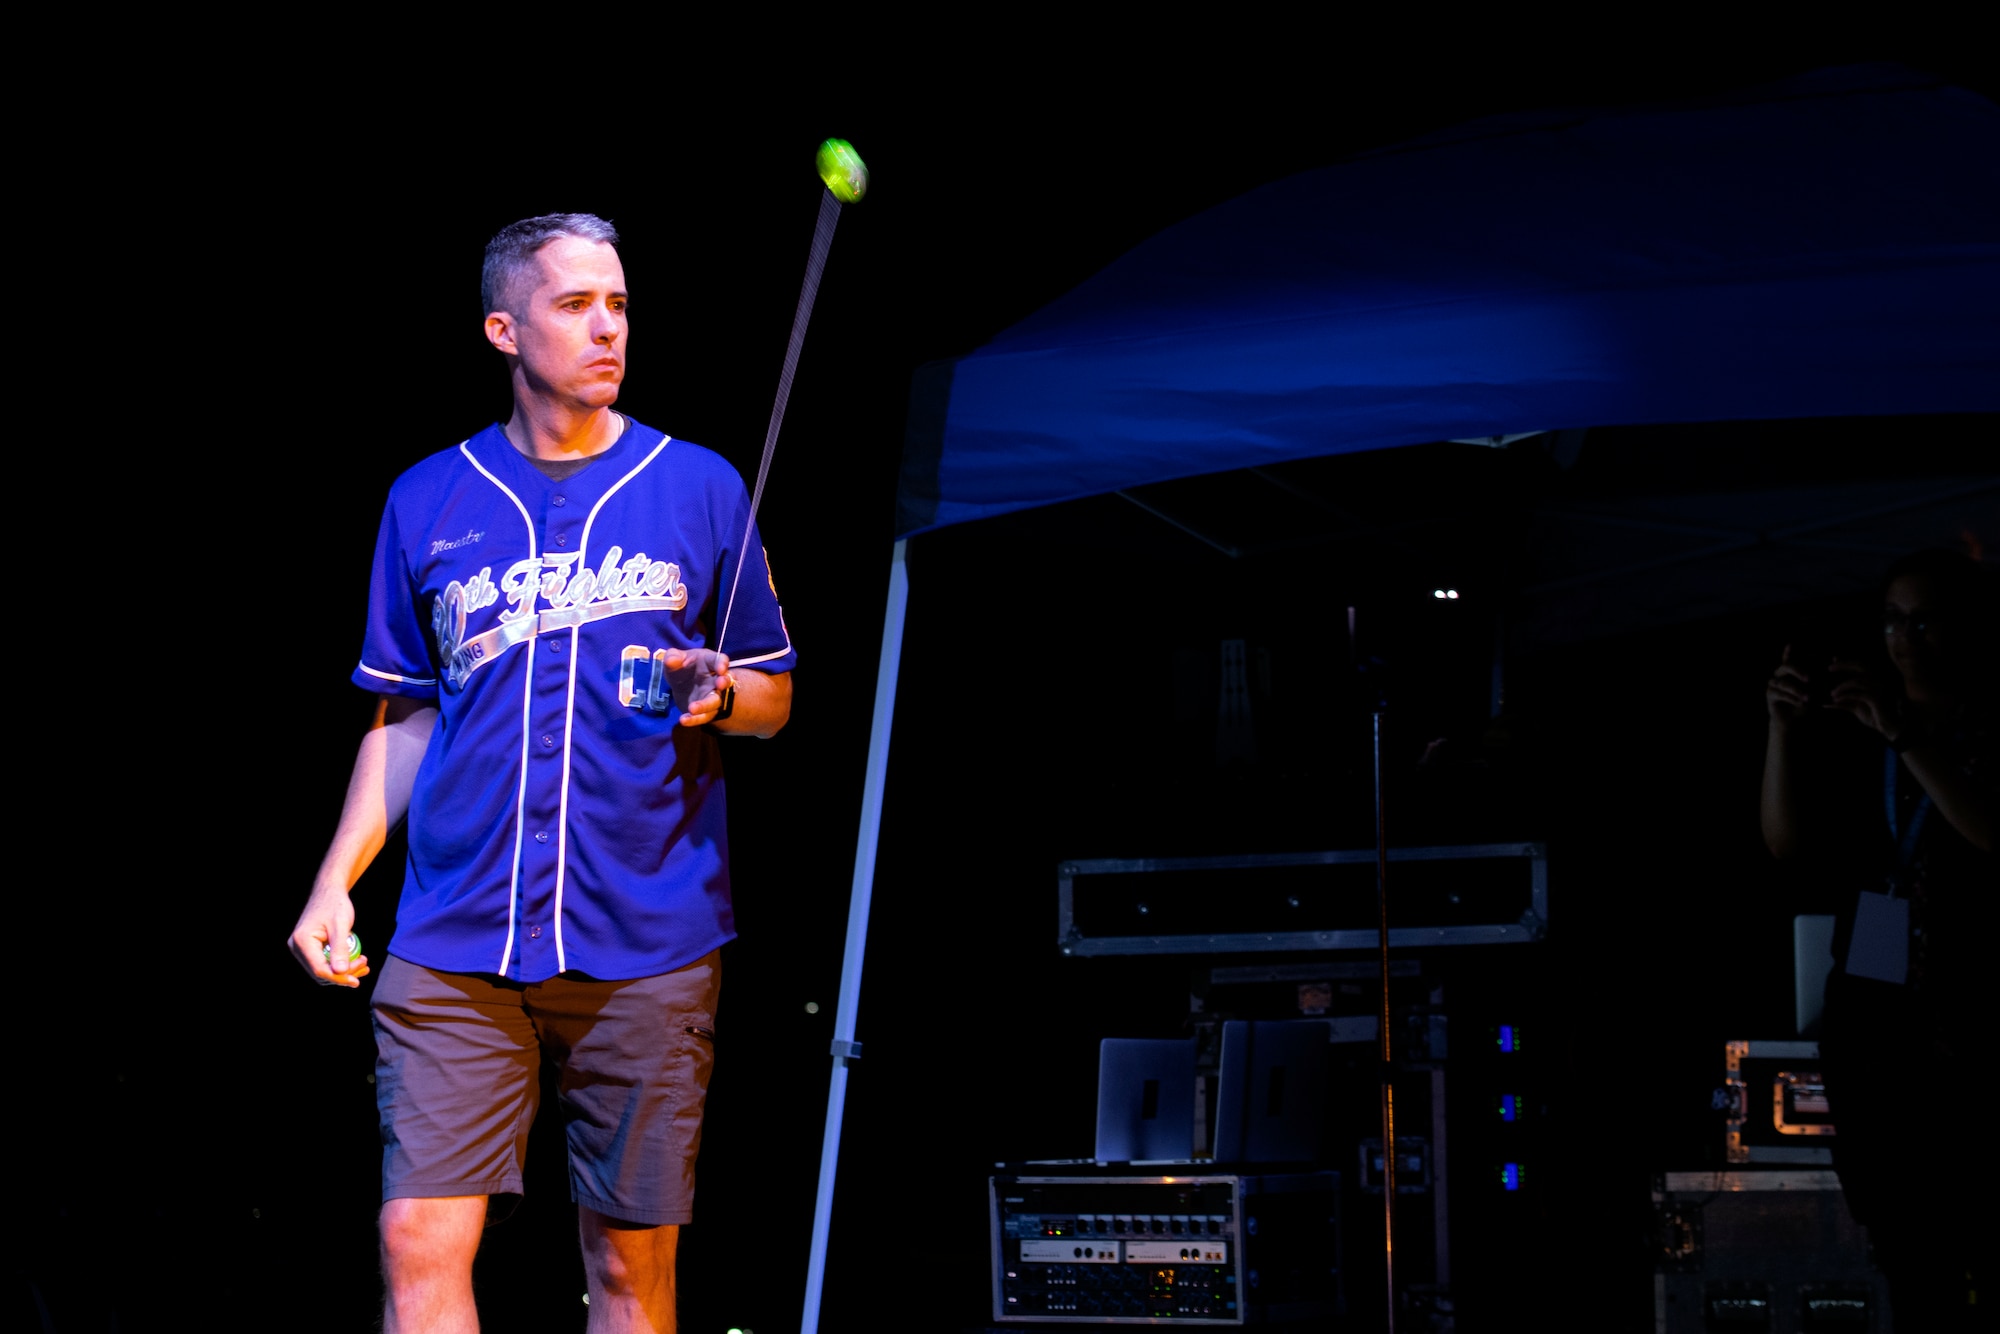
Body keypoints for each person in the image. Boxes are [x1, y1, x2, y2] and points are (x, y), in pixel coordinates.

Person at [286, 213, 795, 1333]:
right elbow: (406, 713)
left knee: (625, 1270)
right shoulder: (427, 497)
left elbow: (773, 697)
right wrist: (336, 881)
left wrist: (719, 692)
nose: (607, 326)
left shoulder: (699, 484)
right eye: (575, 305)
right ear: (503, 328)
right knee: (414, 1236)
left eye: (618, 303)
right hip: (454, 935)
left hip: (648, 936)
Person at [1761, 548, 1995, 1329]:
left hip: (1973, 1009)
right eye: (1893, 620)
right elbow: (1789, 847)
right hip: (1877, 1028)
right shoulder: (1859, 730)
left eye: (1924, 618)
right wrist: (1784, 733)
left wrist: (1904, 734)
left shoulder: (1975, 727)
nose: (1904, 637)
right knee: (1907, 1247)